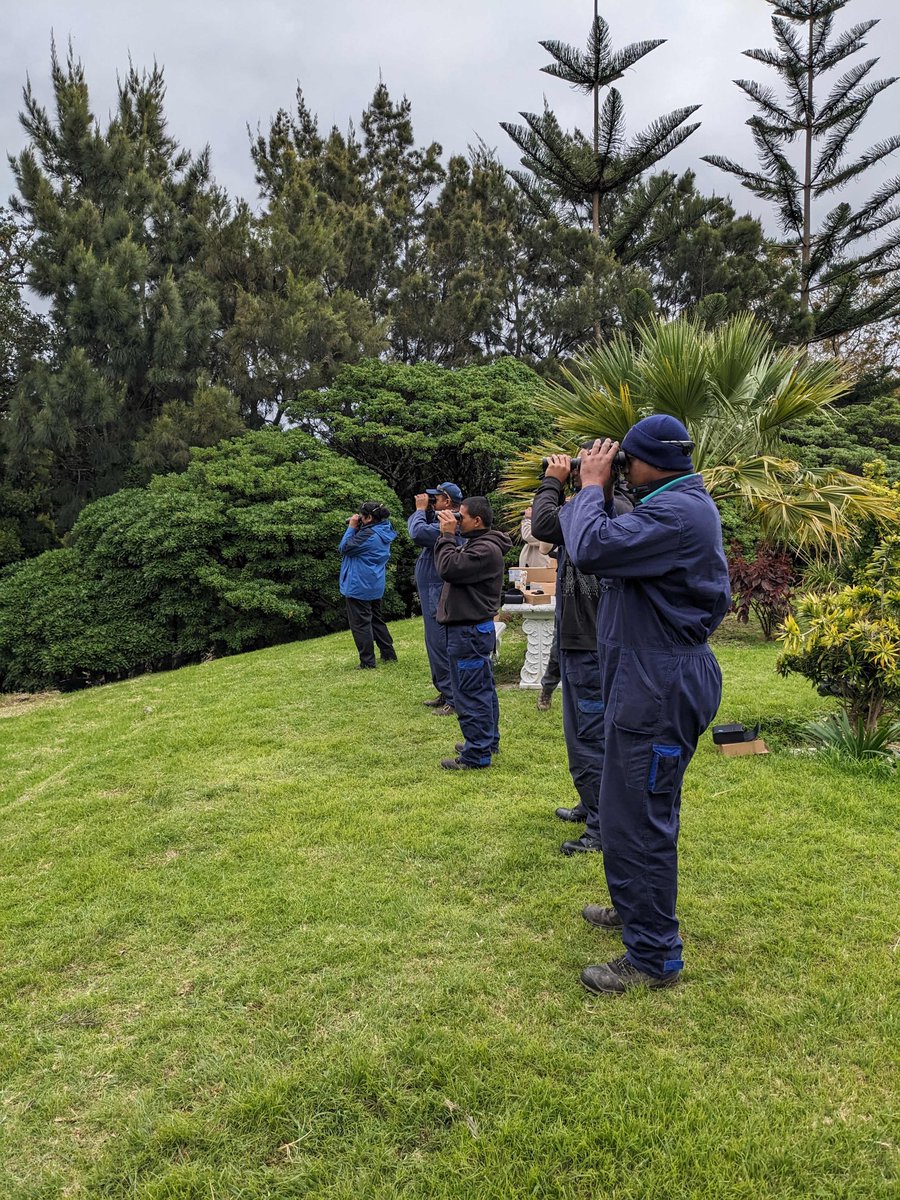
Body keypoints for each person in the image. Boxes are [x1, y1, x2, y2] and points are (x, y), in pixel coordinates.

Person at [558, 415, 730, 994]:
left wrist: (588, 487)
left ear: (649, 461)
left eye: (625, 461)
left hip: (659, 684)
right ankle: (636, 914)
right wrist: (600, 492)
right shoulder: (671, 504)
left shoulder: (677, 513)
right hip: (648, 678)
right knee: (627, 806)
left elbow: (589, 547)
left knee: (641, 820)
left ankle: (654, 957)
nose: (620, 469)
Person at [531, 461, 633, 855]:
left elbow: (542, 524)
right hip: (585, 641)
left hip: (593, 646)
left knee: (590, 739)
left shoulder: (607, 510)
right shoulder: (613, 508)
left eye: (584, 464)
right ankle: (591, 805)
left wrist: (552, 480)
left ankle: (601, 828)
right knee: (585, 735)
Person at [433, 496, 511, 770]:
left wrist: (445, 536)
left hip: (468, 632)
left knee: (471, 692)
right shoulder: (480, 545)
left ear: (477, 520)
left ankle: (477, 754)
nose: (456, 521)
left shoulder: (484, 550)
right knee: (482, 688)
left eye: (460, 517)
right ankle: (486, 741)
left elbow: (447, 568)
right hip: (471, 630)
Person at [407, 483, 464, 717]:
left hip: (438, 594)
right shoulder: (443, 523)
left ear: (447, 502)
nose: (433, 503)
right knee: (434, 645)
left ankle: (453, 697)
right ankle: (444, 690)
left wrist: (420, 510)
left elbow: (417, 533)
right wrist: (428, 511)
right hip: (433, 593)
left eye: (436, 500)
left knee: (441, 645)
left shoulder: (451, 525)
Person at [339, 501, 399, 670]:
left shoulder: (367, 535)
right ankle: (388, 654)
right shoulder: (384, 530)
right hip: (374, 583)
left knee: (360, 624)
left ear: (369, 517)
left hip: (359, 585)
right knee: (376, 621)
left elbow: (345, 547)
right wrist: (360, 527)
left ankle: (367, 662)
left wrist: (351, 527)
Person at [522, 504, 562, 710]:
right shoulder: (557, 522)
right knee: (559, 647)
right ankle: (547, 689)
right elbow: (544, 545)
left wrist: (530, 519)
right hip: (566, 593)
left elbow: (530, 535)